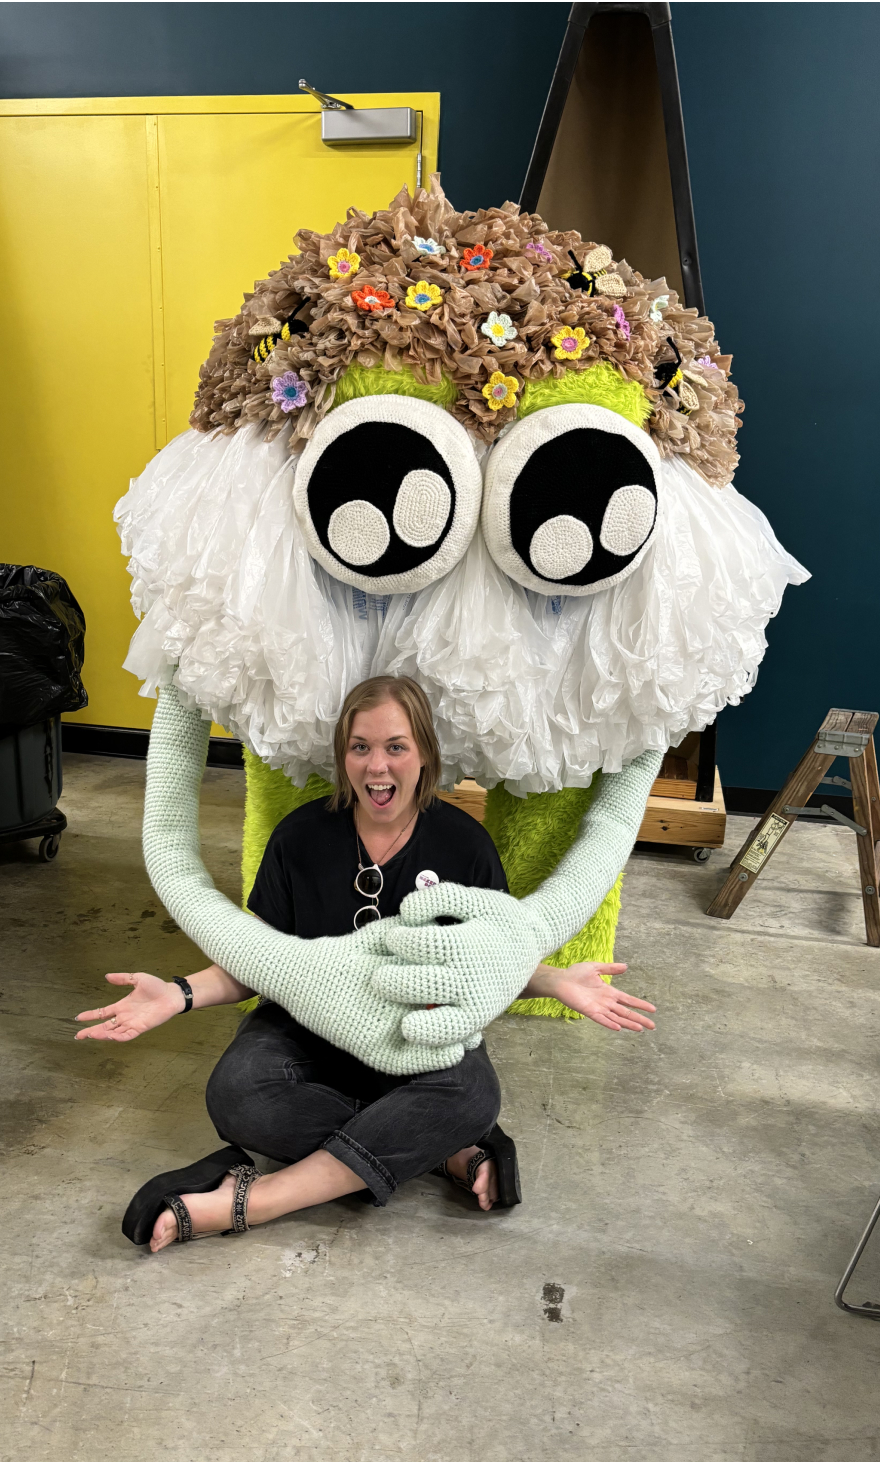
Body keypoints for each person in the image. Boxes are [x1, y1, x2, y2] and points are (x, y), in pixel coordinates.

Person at [76, 675, 656, 1251]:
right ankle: (439, 1147)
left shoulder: (464, 846)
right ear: (342, 755)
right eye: (361, 747)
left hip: (417, 1032)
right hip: (301, 1030)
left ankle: (249, 1198)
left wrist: (554, 982)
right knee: (237, 1096)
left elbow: (484, 968)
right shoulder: (299, 838)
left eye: (396, 747)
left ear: (425, 755)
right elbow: (256, 959)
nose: (377, 767)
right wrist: (178, 993)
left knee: (472, 1095)